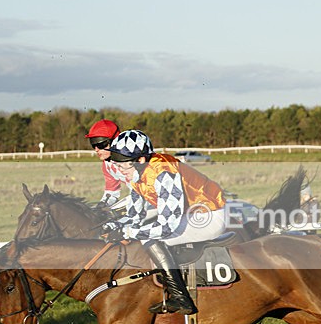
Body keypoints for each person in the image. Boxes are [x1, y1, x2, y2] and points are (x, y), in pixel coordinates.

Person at [103, 130, 228, 314]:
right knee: (142, 230)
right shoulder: (136, 175)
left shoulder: (163, 172)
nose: (119, 171)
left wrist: (128, 232)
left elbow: (167, 226)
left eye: (123, 165)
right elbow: (135, 215)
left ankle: (181, 299)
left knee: (150, 238)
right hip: (190, 213)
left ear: (140, 160)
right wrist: (116, 225)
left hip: (211, 214)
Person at [85, 119, 125, 208]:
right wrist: (99, 207)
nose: (96, 149)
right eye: (93, 145)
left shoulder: (136, 161)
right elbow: (111, 194)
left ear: (115, 142)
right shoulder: (107, 165)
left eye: (100, 145)